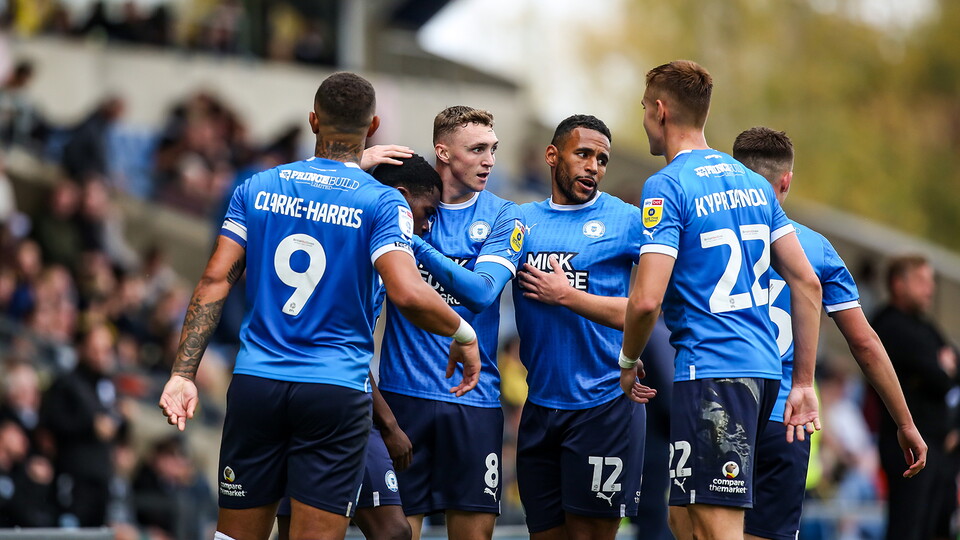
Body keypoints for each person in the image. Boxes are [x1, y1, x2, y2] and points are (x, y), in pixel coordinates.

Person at [158, 72, 481, 540]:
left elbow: (214, 280)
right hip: (332, 392)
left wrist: (183, 373)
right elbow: (408, 293)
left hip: (257, 383)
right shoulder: (383, 202)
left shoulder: (257, 187)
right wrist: (463, 335)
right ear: (372, 127)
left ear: (313, 120)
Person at [618, 60, 823, 540]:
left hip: (711, 371)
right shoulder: (754, 184)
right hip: (762, 370)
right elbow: (807, 283)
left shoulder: (667, 185)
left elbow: (647, 300)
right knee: (681, 517)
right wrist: (804, 382)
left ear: (661, 111)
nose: (645, 118)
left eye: (645, 108)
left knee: (715, 527)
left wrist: (629, 358)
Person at [732, 127, 926, 540]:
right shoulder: (815, 248)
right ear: (786, 180)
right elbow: (864, 343)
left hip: (720, 408)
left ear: (733, 172)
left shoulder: (705, 238)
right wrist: (904, 422)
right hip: (786, 418)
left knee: (700, 529)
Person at [375, 106, 525, 540]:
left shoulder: (503, 215)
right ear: (442, 151)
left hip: (475, 401)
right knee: (399, 533)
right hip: (405, 398)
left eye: (493, 150)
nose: (489, 160)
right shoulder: (401, 205)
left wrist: (416, 248)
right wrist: (363, 161)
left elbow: (481, 292)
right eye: (477, 149)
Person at [275, 154, 442, 540]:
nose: (427, 225)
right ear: (400, 197)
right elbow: (339, 344)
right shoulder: (350, 256)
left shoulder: (369, 253)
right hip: (323, 395)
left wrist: (358, 164)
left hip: (316, 392)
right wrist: (389, 424)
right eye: (426, 211)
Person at [510, 114, 654, 539]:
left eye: (603, 159)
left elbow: (649, 307)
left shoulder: (627, 220)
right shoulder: (518, 220)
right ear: (553, 156)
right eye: (584, 154)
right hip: (539, 407)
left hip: (603, 405)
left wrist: (567, 295)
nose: (594, 166)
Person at [872, 254, 956, 540]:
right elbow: (939, 376)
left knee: (937, 527)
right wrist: (941, 367)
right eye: (921, 281)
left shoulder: (925, 326)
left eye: (931, 281)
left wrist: (944, 368)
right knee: (909, 527)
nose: (929, 289)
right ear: (898, 283)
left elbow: (952, 365)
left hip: (938, 446)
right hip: (906, 447)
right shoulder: (888, 325)